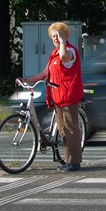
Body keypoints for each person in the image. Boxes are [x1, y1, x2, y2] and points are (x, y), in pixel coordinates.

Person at [24, 22, 83, 172]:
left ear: (65, 36)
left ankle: (74, 163)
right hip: (58, 97)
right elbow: (45, 73)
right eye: (53, 36)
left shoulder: (70, 50)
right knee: (63, 131)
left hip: (69, 96)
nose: (55, 38)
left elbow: (65, 57)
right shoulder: (53, 54)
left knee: (71, 130)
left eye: (58, 35)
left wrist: (63, 41)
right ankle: (67, 161)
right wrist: (27, 80)